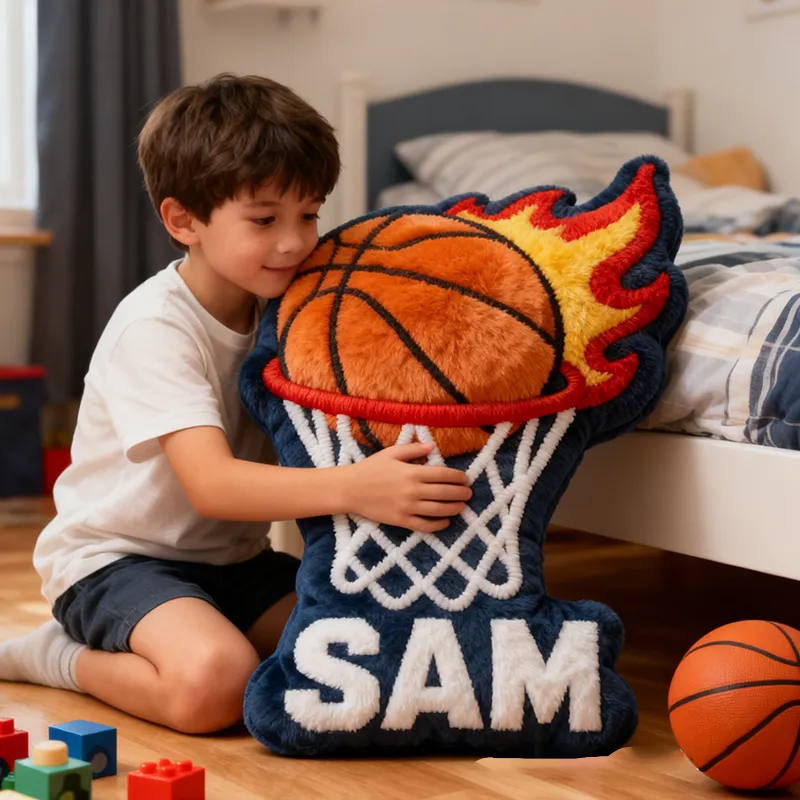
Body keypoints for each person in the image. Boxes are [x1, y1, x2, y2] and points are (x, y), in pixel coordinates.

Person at [0, 74, 472, 734]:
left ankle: (204, 635)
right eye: (264, 219)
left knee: (371, 661)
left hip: (233, 561)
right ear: (182, 220)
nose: (295, 241)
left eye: (309, 214)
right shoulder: (156, 327)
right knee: (213, 689)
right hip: (117, 561)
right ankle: (56, 655)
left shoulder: (294, 310)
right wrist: (359, 488)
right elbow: (213, 487)